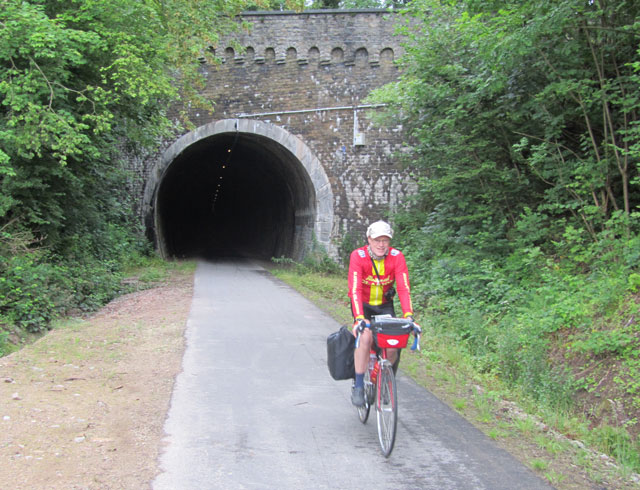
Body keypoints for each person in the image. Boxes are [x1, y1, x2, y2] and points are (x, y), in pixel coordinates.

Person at [347, 220, 417, 407]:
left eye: (385, 240)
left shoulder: (397, 257)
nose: (381, 244)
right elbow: (354, 289)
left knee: (393, 345)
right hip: (364, 306)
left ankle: (383, 380)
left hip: (385, 306)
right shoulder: (358, 256)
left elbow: (403, 288)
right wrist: (359, 318)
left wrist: (408, 315)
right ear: (369, 239)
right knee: (365, 338)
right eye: (377, 240)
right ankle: (360, 386)